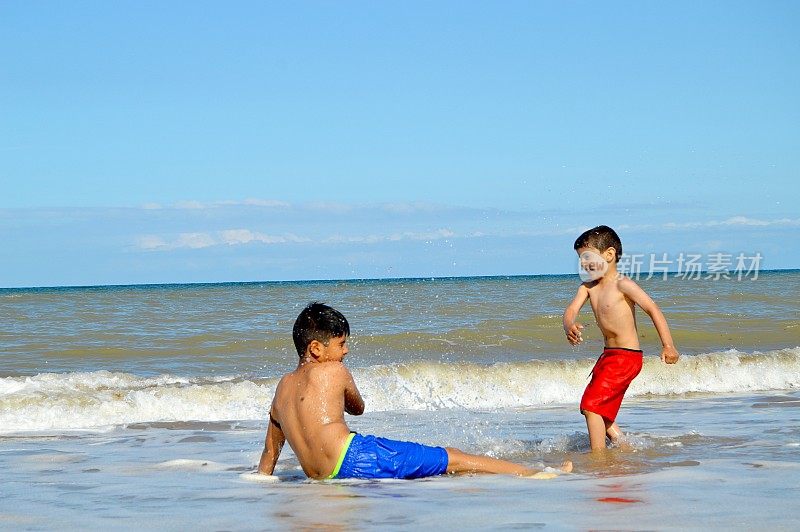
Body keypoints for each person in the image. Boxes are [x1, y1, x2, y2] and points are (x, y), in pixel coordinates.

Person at [258, 302, 572, 480]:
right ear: (315, 348)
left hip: (323, 477)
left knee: (438, 469)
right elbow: (358, 408)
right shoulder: (334, 370)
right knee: (454, 457)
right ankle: (533, 473)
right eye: (341, 344)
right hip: (357, 458)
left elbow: (268, 459)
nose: (346, 351)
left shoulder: (281, 391)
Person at [563, 225, 680, 451]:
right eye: (580, 259)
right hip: (609, 356)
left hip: (626, 357)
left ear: (609, 254)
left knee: (592, 406)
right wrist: (569, 325)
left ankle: (598, 456)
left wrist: (668, 345)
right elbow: (570, 311)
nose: (583, 264)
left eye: (587, 257)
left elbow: (652, 309)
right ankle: (622, 444)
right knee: (596, 407)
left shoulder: (623, 284)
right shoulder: (588, 288)